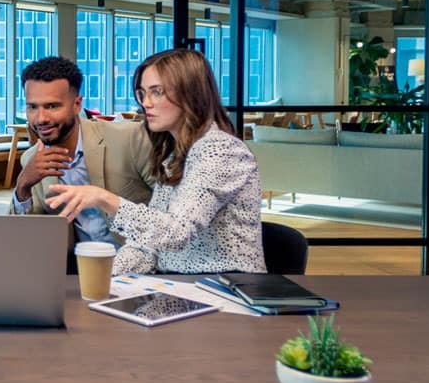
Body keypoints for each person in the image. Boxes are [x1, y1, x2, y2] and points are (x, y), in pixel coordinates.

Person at [46, 48, 265, 275]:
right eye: (143, 93)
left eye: (157, 92)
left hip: (227, 290)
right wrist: (101, 279)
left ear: (191, 93)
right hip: (183, 289)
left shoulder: (220, 150)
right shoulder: (174, 156)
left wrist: (104, 198)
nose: (146, 103)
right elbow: (148, 246)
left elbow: (177, 232)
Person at [9, 56, 158, 259]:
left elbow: (173, 213)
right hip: (82, 270)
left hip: (147, 266)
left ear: (77, 104)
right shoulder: (31, 160)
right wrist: (22, 187)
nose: (41, 118)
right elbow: (26, 238)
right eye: (32, 107)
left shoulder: (129, 138)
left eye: (52, 106)